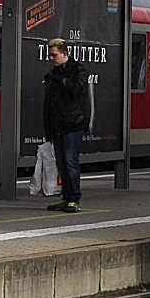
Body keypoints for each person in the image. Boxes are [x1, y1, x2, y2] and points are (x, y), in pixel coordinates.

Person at [42, 38, 89, 213]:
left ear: (64, 54)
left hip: (73, 124)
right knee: (61, 163)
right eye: (50, 55)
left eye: (54, 55)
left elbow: (78, 89)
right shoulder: (53, 74)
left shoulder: (78, 70)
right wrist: (48, 128)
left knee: (70, 161)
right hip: (58, 125)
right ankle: (66, 197)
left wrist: (61, 79)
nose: (51, 58)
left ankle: (74, 199)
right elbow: (49, 103)